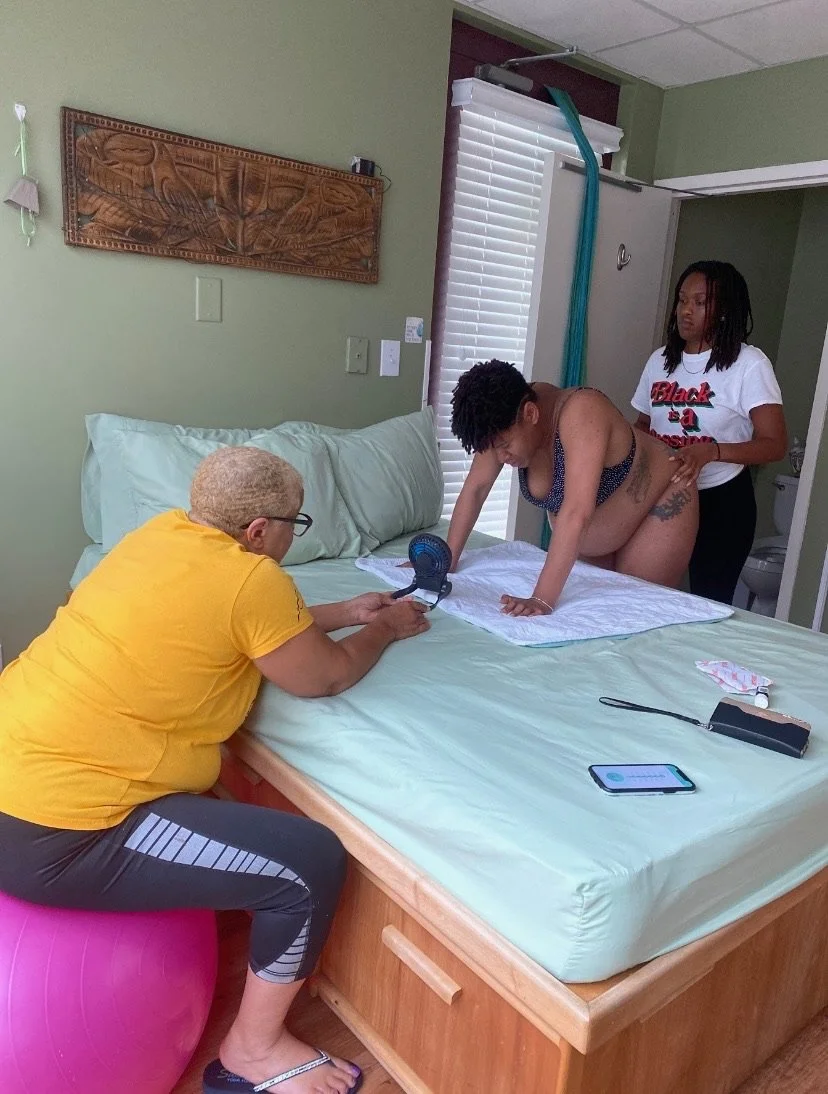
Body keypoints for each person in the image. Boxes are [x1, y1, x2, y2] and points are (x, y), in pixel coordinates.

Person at [0, 445, 429, 1094]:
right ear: (259, 532)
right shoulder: (252, 580)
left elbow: (227, 621)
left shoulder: (159, 536)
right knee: (307, 864)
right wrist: (389, 628)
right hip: (60, 833)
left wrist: (344, 613)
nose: (293, 533)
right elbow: (326, 676)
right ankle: (252, 1053)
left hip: (14, 774)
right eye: (295, 521)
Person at [447, 360, 699, 615]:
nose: (500, 457)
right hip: (598, 538)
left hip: (661, 499)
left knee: (630, 613)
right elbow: (476, 489)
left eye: (504, 446)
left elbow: (577, 510)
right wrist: (445, 561)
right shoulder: (498, 420)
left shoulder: (581, 412)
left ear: (531, 414)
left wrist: (541, 599)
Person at [632, 261, 788, 604]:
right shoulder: (659, 361)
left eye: (700, 302)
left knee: (707, 601)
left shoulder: (749, 364)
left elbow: (774, 444)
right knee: (647, 594)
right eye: (682, 300)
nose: (686, 311)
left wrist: (711, 451)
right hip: (664, 492)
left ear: (723, 310)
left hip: (723, 500)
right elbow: (644, 425)